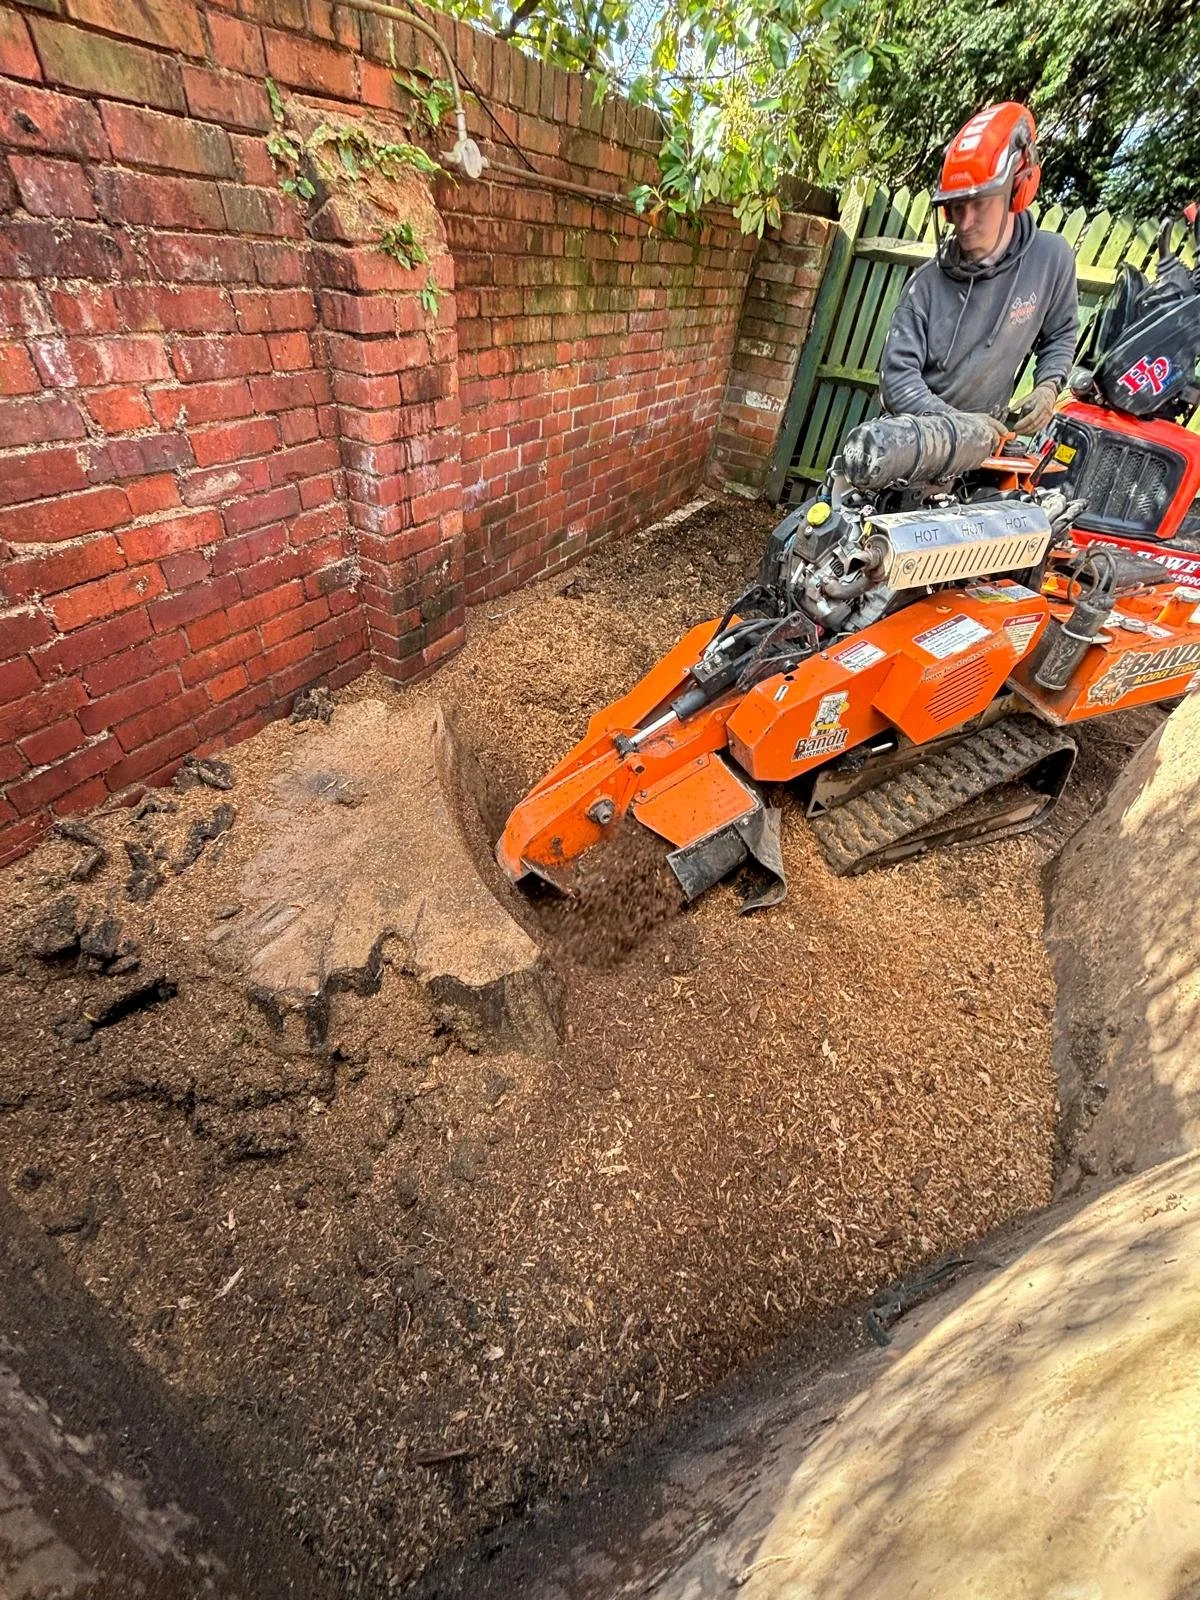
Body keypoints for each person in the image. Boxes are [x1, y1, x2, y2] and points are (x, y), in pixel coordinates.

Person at [879, 102, 1079, 445]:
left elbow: (1061, 333)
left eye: (980, 203)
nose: (965, 222)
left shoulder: (1051, 260)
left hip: (986, 448)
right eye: (957, 207)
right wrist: (958, 425)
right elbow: (897, 382)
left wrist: (1048, 385)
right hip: (914, 442)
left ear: (1018, 191)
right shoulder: (924, 288)